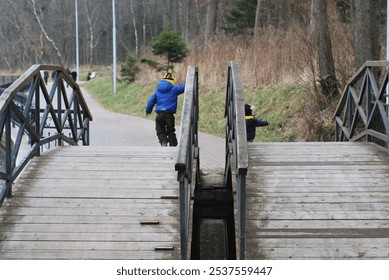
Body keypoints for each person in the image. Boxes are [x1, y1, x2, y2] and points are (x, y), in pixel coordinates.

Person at [145, 73, 185, 146]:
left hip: (159, 115)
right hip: (169, 115)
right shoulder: (174, 89)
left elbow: (151, 101)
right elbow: (184, 87)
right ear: (171, 81)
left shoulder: (157, 91)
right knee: (171, 131)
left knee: (160, 131)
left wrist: (148, 110)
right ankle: (173, 145)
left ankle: (163, 142)